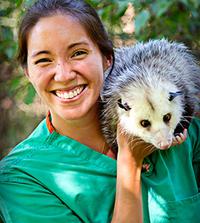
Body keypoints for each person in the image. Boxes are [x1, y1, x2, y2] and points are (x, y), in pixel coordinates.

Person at [0, 0, 197, 222]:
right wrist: (130, 164)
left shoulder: (174, 122)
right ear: (28, 73)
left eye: (78, 53)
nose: (64, 75)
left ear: (107, 59)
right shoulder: (22, 178)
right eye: (44, 60)